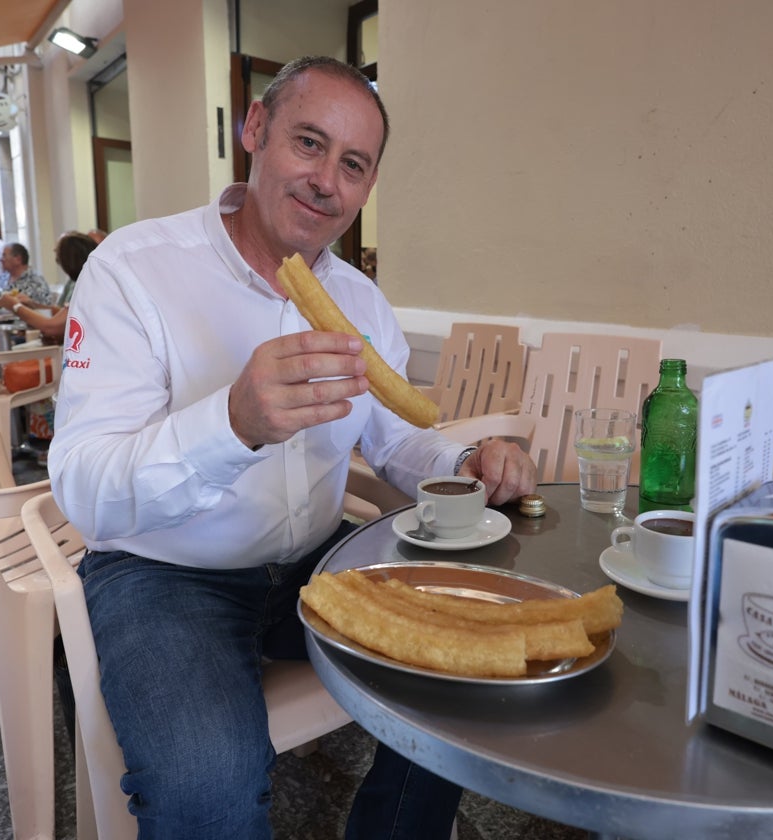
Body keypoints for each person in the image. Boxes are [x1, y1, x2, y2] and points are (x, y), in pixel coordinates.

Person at [48, 56, 537, 838]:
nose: (326, 182)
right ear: (254, 131)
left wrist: (461, 467)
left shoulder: (360, 301)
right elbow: (83, 485)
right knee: (207, 790)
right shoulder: (134, 272)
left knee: (458, 664)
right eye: (308, 144)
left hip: (315, 561)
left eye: (352, 165)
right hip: (166, 573)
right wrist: (232, 422)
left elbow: (396, 435)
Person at [0, 231, 96, 343]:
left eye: (58, 254)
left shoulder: (89, 288)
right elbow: (63, 314)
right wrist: (32, 304)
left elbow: (51, 327)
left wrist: (15, 306)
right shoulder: (87, 282)